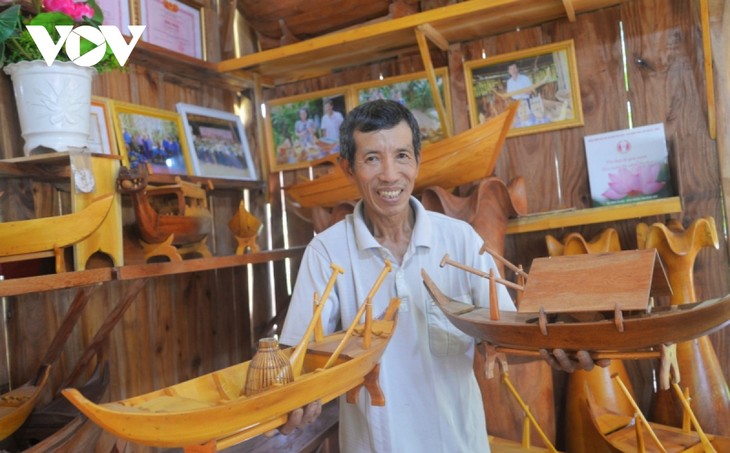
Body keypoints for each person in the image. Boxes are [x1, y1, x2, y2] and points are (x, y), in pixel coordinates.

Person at [278, 99, 599, 451]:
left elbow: (507, 341)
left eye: (401, 155)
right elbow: (297, 358)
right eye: (372, 158)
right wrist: (294, 397)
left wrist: (555, 346)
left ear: (417, 160)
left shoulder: (460, 240)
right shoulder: (327, 253)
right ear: (347, 169)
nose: (389, 174)